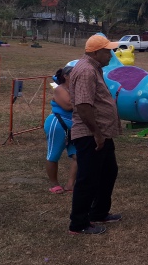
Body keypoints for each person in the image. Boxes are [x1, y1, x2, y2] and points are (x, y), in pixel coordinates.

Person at [67, 35, 122, 235]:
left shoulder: (94, 68)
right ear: (95, 52)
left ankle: (99, 212)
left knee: (108, 172)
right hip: (91, 134)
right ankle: (78, 223)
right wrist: (96, 133)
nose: (111, 55)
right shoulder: (86, 71)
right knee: (88, 178)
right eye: (107, 51)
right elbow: (83, 106)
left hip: (102, 133)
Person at [44, 65, 77, 194]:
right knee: (54, 154)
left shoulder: (76, 89)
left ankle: (70, 185)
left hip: (75, 126)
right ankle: (54, 184)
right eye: (74, 74)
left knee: (78, 156)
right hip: (58, 123)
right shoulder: (60, 89)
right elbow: (68, 105)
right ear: (66, 76)